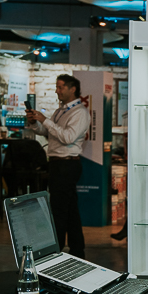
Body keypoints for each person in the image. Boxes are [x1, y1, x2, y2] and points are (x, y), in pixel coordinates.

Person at [26, 75, 89, 258]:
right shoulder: (61, 111)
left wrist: (45, 120)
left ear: (72, 89)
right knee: (69, 209)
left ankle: (57, 249)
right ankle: (77, 249)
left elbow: (68, 137)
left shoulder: (79, 112)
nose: (57, 91)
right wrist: (35, 122)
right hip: (58, 163)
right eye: (57, 87)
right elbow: (49, 133)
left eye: (61, 87)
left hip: (67, 164)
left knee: (59, 209)